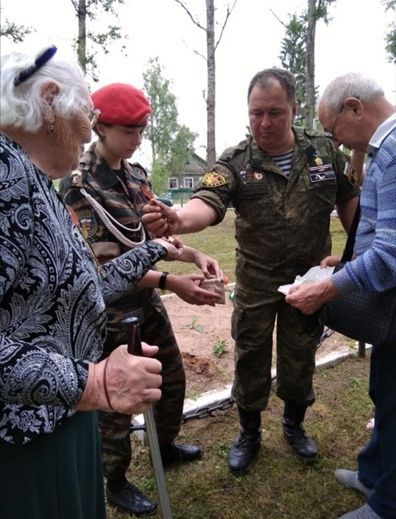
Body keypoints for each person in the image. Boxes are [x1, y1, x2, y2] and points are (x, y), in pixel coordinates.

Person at [142, 67, 361, 476]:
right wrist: (176, 219)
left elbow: (349, 201)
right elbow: (206, 202)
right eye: (256, 112)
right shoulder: (236, 160)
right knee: (250, 358)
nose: (264, 122)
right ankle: (249, 432)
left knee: (300, 357)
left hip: (308, 281)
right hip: (258, 282)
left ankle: (294, 425)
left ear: (294, 110)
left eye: (275, 112)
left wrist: (358, 255)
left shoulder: (324, 152)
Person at [0, 46, 184, 519]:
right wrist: (93, 380)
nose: (88, 130)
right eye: (87, 114)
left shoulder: (31, 174)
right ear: (48, 101)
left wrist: (155, 250)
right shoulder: (5, 177)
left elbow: (75, 285)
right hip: (23, 436)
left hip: (59, 413)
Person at [59, 82, 224, 516]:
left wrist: (196, 253)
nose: (138, 139)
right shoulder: (80, 185)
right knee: (118, 403)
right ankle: (115, 479)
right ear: (102, 127)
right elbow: (104, 266)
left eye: (142, 129)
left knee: (170, 377)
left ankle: (164, 446)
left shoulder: (136, 174)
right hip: (112, 312)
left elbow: (158, 237)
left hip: (147, 302)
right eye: (130, 131)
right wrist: (173, 283)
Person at [286, 73, 396, 519]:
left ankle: (387, 506)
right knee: (385, 389)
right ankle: (373, 474)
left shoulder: (391, 154)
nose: (334, 140)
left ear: (354, 107)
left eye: (334, 130)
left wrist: (328, 288)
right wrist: (347, 263)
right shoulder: (384, 150)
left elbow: (391, 255)